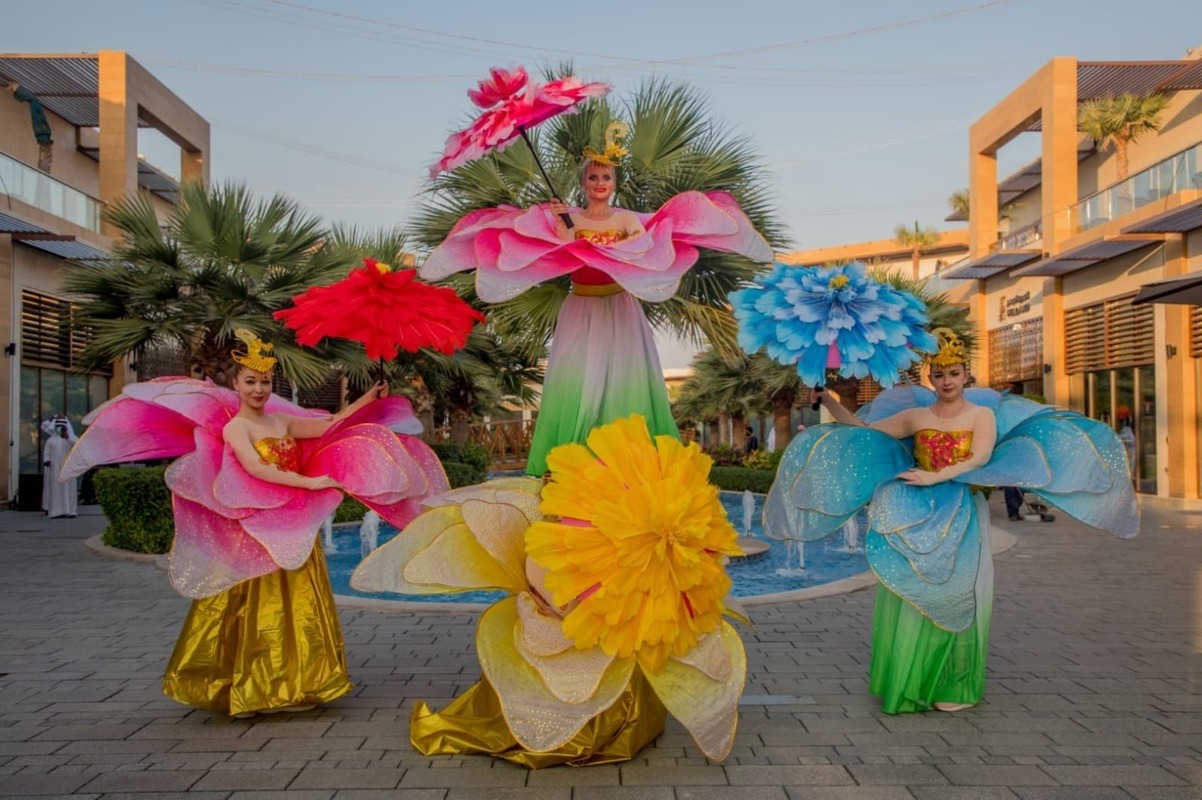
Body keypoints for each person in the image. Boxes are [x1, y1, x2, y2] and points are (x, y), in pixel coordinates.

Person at [62, 329, 450, 718]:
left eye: (265, 382)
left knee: (297, 602)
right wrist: (309, 482)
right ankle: (247, 687)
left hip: (290, 524)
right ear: (236, 384)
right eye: (250, 382)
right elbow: (255, 468)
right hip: (252, 528)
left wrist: (369, 398)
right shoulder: (237, 428)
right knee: (249, 604)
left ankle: (296, 683)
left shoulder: (282, 421)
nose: (259, 389)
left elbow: (331, 424)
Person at [767, 329, 1139, 714]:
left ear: (966, 375)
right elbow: (865, 433)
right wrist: (829, 400)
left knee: (959, 589)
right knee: (917, 589)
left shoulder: (981, 416)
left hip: (961, 510)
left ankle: (954, 683)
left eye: (954, 374)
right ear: (930, 378)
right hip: (917, 512)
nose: (947, 381)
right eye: (940, 375)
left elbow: (979, 457)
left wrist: (935, 476)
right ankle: (915, 680)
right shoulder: (917, 417)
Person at [420, 121, 773, 476]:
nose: (600, 183)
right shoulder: (569, 218)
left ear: (614, 183)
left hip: (619, 307)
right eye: (593, 178)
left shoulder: (626, 219)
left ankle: (631, 461)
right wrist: (561, 223)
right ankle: (571, 460)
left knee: (624, 377)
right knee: (578, 379)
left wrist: (605, 248)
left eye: (606, 177)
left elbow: (642, 245)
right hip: (581, 306)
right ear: (583, 183)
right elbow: (559, 247)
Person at [42, 424, 77, 518]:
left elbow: (77, 445)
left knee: (69, 489)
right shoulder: (50, 440)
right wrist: (47, 460)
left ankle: (70, 511)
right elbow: (47, 452)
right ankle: (56, 512)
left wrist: (67, 438)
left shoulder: (72, 438)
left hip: (68, 467)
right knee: (56, 489)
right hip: (55, 468)